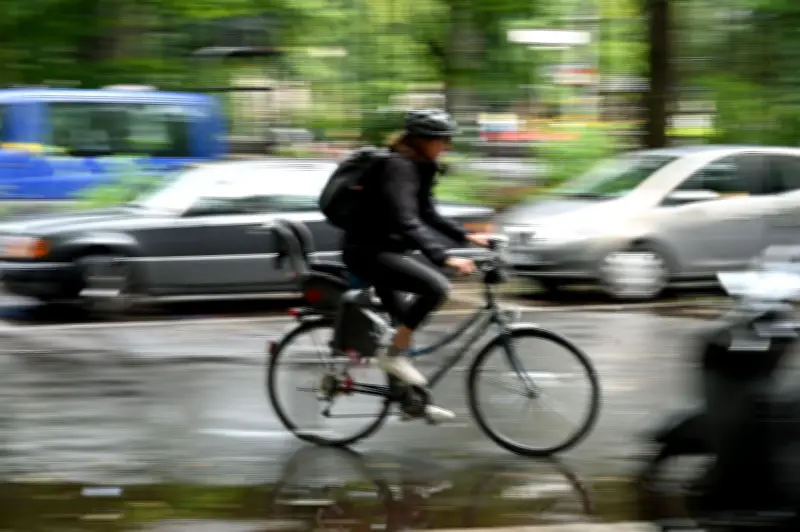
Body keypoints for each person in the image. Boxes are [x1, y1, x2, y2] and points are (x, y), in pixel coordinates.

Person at [342, 109, 492, 422]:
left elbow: (428, 214)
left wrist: (467, 236)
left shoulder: (419, 167)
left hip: (386, 250)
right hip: (368, 252)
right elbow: (406, 220)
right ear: (422, 140)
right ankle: (393, 358)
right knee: (436, 288)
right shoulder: (399, 167)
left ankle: (410, 402)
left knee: (403, 327)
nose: (447, 146)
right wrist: (443, 257)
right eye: (442, 139)